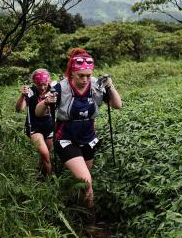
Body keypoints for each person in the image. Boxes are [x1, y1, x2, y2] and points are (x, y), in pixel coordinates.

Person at [35, 48, 122, 208]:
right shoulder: (61, 88)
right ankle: (90, 222)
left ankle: (80, 209)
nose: (85, 79)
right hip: (66, 140)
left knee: (84, 183)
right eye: (81, 76)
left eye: (88, 75)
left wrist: (111, 87)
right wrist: (46, 101)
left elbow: (117, 105)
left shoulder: (96, 85)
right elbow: (38, 112)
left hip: (88, 140)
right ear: (71, 73)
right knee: (86, 182)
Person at [16, 68, 55, 175]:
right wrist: (22, 96)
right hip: (34, 127)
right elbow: (19, 109)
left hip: (49, 126)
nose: (42, 87)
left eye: (44, 84)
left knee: (44, 156)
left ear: (49, 81)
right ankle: (49, 182)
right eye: (39, 85)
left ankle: (41, 174)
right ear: (34, 83)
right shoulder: (30, 92)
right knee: (46, 155)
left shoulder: (54, 91)